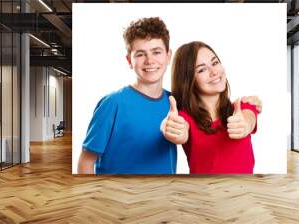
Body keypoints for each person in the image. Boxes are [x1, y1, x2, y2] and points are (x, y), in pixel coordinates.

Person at [78, 17, 262, 174]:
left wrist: (250, 113)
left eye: (156, 52)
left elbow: (240, 116)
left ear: (168, 56)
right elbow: (86, 162)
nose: (149, 61)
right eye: (140, 54)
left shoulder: (177, 103)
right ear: (129, 60)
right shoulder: (113, 104)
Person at [162, 41, 258, 174]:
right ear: (188, 80)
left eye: (215, 63)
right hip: (205, 192)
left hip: (244, 191)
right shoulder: (184, 119)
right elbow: (180, 132)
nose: (214, 72)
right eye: (202, 69)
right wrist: (172, 129)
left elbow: (249, 119)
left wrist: (245, 125)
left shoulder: (242, 108)